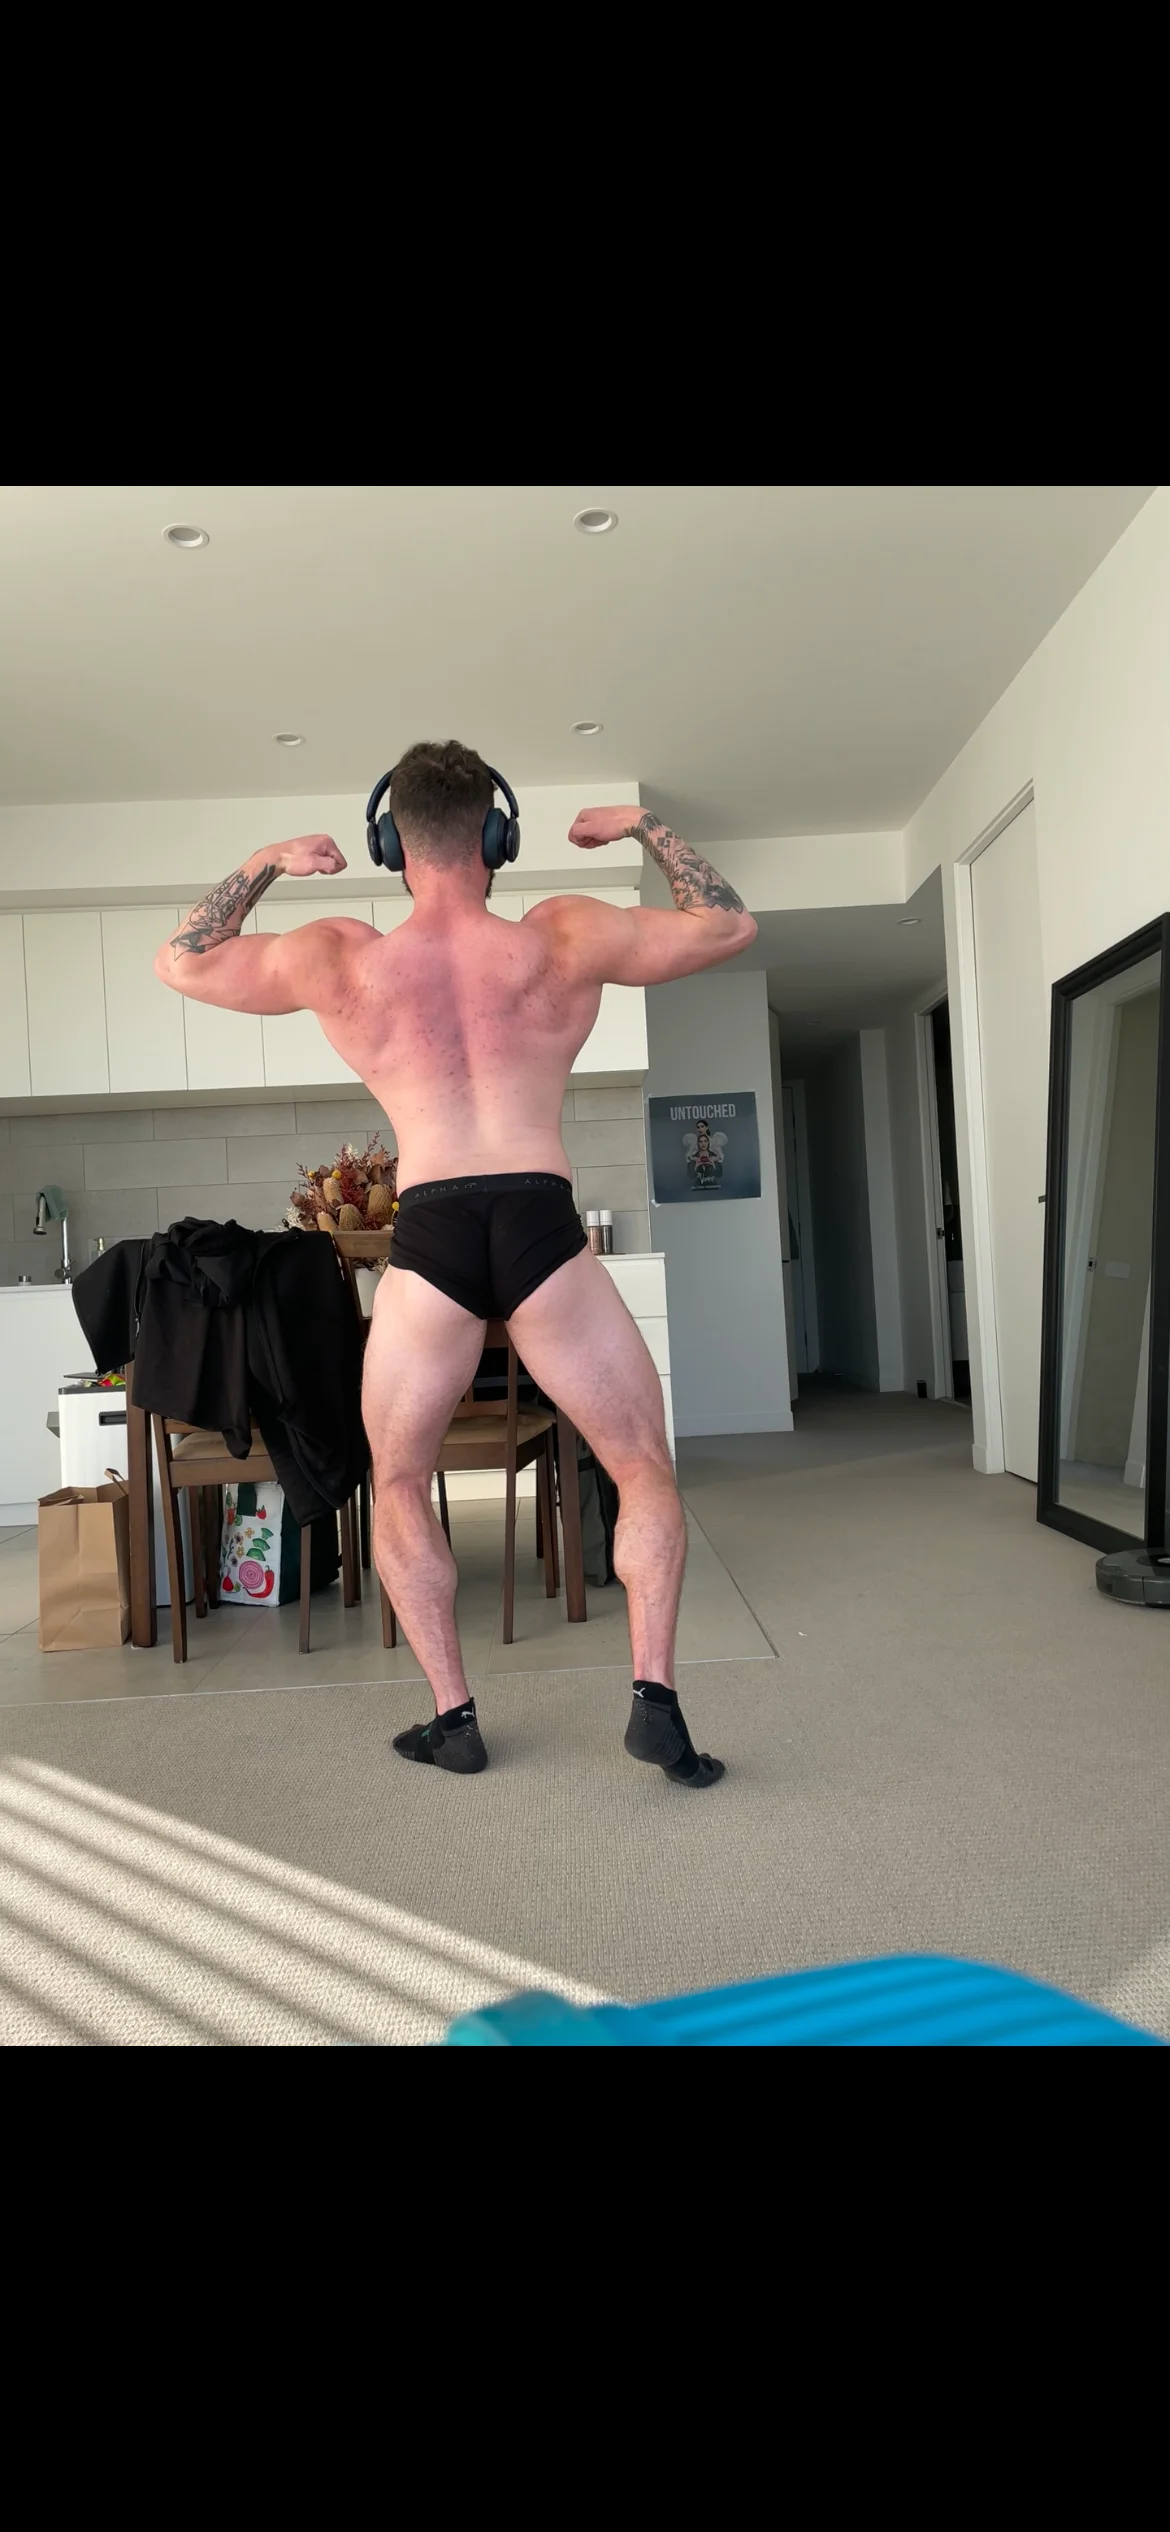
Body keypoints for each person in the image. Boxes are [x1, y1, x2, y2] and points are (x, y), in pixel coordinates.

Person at [155, 741, 757, 1785]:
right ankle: (656, 1703)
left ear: (391, 845)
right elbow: (727, 924)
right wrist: (643, 828)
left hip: (429, 1230)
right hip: (539, 1220)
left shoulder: (344, 956)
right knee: (640, 1466)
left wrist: (265, 861)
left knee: (397, 1478)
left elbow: (184, 959)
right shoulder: (563, 933)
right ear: (497, 834)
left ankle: (454, 1717)